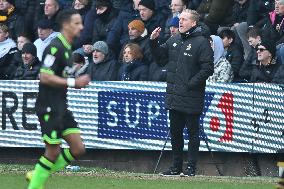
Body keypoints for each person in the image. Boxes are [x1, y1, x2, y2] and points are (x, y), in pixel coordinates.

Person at [26, 9, 90, 189]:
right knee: (52, 152)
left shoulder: (68, 48)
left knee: (78, 148)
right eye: (77, 23)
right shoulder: (55, 47)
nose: (81, 27)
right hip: (48, 107)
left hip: (61, 106)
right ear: (66, 25)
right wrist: (74, 82)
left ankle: (38, 172)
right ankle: (35, 183)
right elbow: (44, 76)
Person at [150, 9, 214, 176]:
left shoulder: (202, 42)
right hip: (174, 95)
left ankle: (191, 168)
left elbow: (208, 68)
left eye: (184, 19)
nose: (180, 22)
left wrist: (190, 84)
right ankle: (176, 167)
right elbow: (161, 59)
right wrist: (153, 43)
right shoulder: (174, 38)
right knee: (175, 133)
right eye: (180, 19)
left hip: (191, 95)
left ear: (193, 23)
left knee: (192, 132)